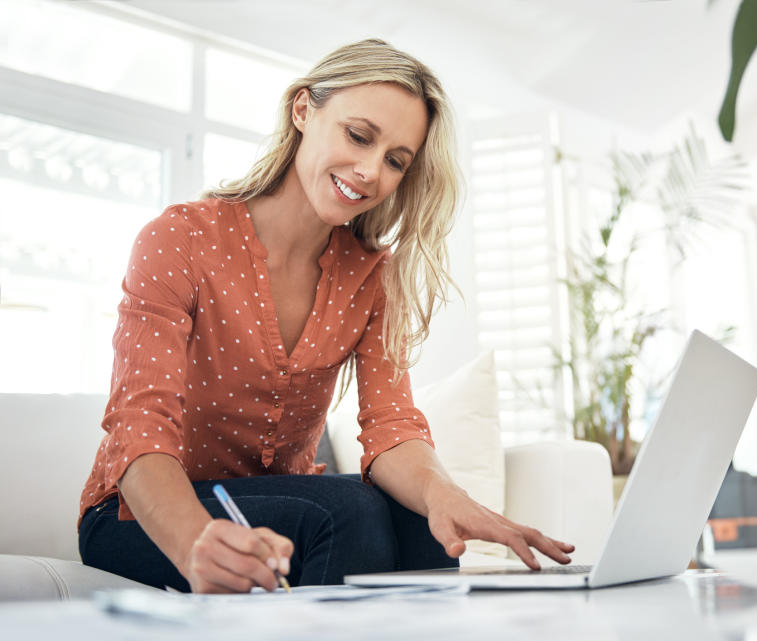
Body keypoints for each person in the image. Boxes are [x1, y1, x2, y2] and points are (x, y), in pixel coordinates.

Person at [77, 38, 574, 593]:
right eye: (358, 136)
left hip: (283, 508)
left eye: (394, 161)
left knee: (426, 525)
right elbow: (139, 429)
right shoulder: (180, 239)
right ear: (303, 109)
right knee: (344, 512)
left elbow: (390, 428)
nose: (369, 171)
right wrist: (196, 539)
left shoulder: (371, 278)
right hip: (139, 518)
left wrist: (448, 497)